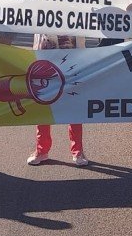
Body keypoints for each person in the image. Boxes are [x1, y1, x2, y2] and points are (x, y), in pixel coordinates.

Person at [26, 34, 89, 167]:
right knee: (43, 103)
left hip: (72, 58)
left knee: (73, 105)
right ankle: (41, 149)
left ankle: (77, 151)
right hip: (44, 56)